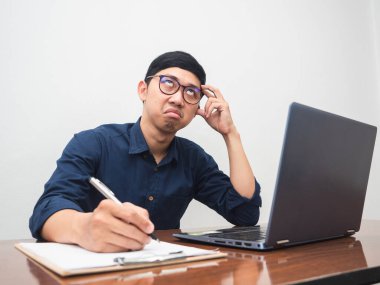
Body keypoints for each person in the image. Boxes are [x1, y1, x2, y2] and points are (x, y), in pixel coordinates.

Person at [29, 51, 262, 253]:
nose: (178, 99)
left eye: (191, 92)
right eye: (168, 84)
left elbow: (245, 214)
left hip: (163, 271)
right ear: (143, 90)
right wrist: (85, 227)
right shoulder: (94, 143)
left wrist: (230, 134)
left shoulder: (193, 159)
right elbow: (47, 210)